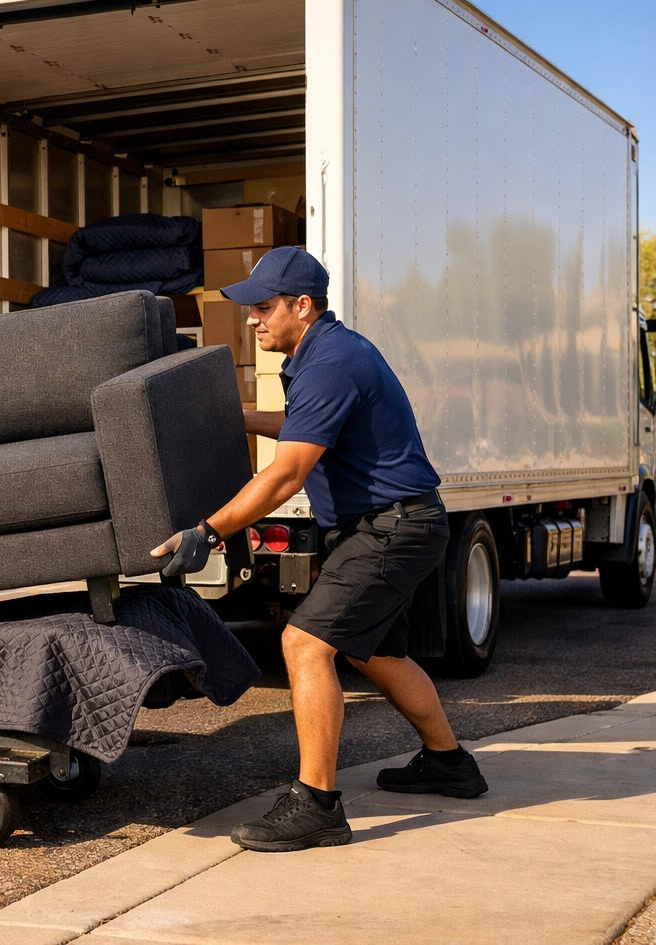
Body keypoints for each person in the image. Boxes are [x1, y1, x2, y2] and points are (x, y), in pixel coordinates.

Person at [151, 246, 487, 853]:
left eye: (264, 307)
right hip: (384, 526)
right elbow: (306, 424)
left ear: (302, 306)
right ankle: (450, 764)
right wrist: (241, 417)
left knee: (303, 644)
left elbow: (287, 475)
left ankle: (318, 804)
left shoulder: (331, 361)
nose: (253, 319)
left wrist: (208, 531)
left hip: (392, 528)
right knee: (376, 654)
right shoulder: (319, 355)